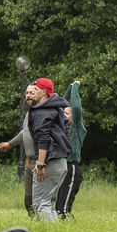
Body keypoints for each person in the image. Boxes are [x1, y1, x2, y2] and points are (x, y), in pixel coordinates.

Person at [26, 77, 72, 221]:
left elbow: (43, 139)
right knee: (49, 202)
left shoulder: (41, 112)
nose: (33, 91)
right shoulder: (56, 109)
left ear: (44, 93)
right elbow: (67, 132)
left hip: (49, 162)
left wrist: (40, 164)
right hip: (61, 162)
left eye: (36, 89)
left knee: (41, 203)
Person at [0, 85, 39, 216]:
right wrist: (10, 144)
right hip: (29, 161)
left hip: (40, 161)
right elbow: (25, 133)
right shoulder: (29, 113)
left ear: (40, 94)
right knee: (28, 200)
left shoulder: (43, 113)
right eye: (27, 93)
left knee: (40, 199)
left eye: (32, 93)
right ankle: (35, 224)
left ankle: (47, 224)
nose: (28, 95)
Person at [56, 80, 85, 219]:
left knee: (63, 208)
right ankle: (63, 223)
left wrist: (75, 87)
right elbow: (62, 105)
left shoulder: (77, 127)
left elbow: (76, 108)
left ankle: (67, 224)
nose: (64, 115)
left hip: (71, 167)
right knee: (57, 205)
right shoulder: (63, 126)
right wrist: (69, 88)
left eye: (68, 113)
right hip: (61, 166)